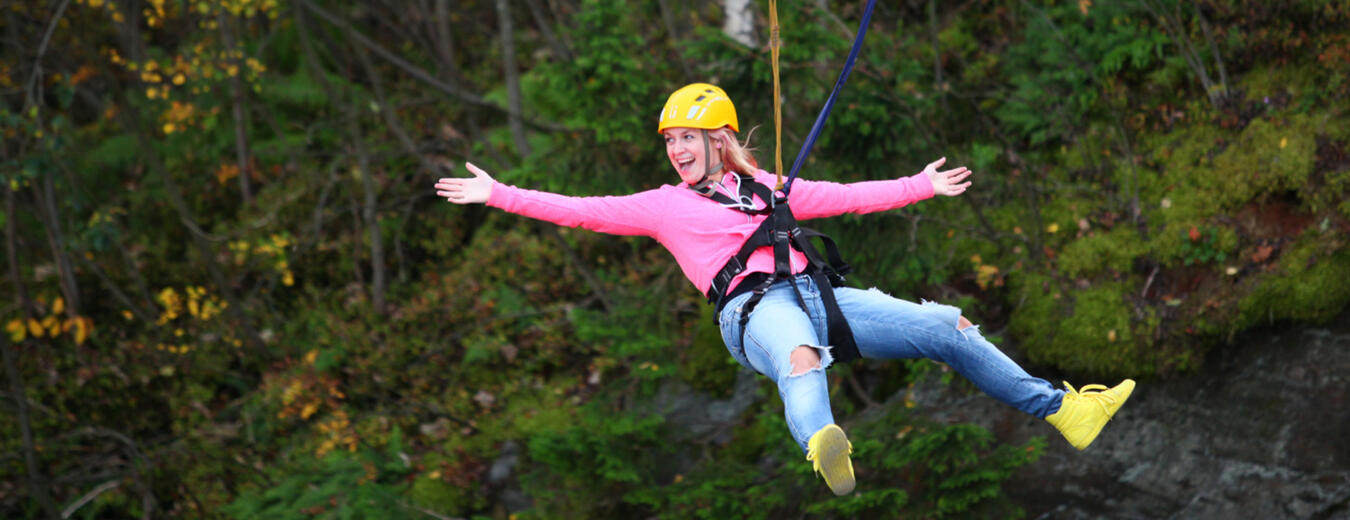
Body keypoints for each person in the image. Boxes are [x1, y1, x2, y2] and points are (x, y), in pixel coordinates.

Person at [434, 83, 1134, 496]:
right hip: (754, 314)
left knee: (945, 325)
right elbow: (582, 208)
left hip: (818, 297)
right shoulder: (662, 205)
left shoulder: (770, 188)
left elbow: (846, 197)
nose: (675, 150)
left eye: (688, 138)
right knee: (800, 356)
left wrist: (920, 186)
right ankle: (825, 444)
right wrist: (499, 194)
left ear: (721, 139)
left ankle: (1062, 410)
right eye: (670, 140)